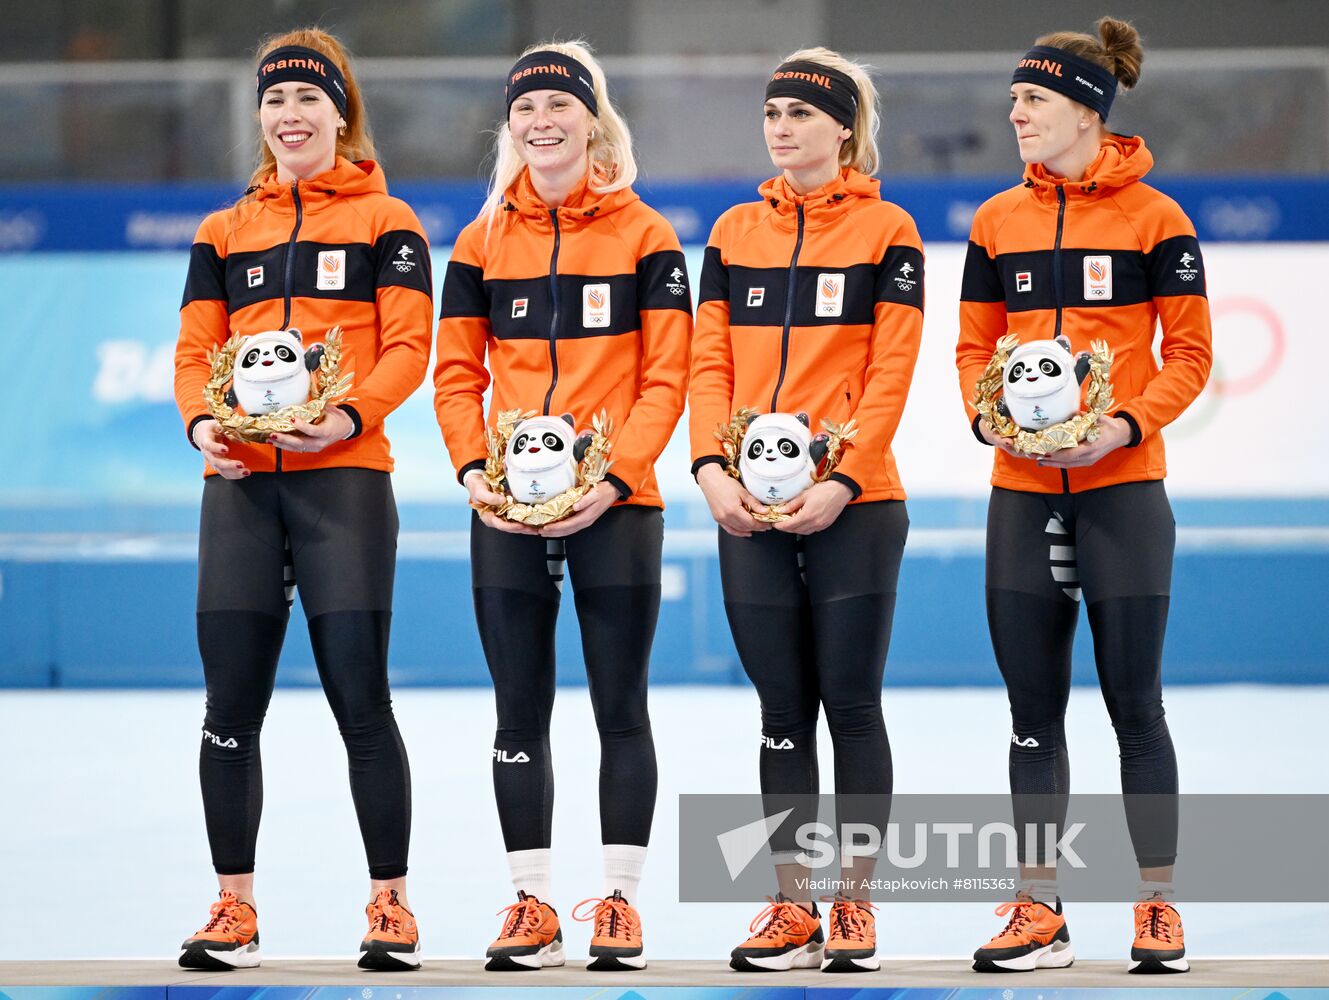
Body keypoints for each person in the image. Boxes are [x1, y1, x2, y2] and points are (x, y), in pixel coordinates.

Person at [172, 27, 433, 971]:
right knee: (226, 707)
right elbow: (197, 352)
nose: (289, 116)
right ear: (261, 118)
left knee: (360, 700)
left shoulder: (384, 221)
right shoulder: (222, 231)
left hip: (345, 482)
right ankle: (233, 908)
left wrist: (348, 417)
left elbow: (409, 346)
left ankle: (390, 906)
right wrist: (204, 427)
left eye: (307, 99)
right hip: (237, 486)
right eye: (274, 101)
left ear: (339, 112)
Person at [956, 16, 1212, 975]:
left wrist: (1126, 425)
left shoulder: (1157, 219)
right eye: (1015, 100)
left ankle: (1155, 909)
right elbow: (973, 348)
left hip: (1122, 489)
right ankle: (1038, 910)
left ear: (1083, 109)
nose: (1014, 113)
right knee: (1031, 713)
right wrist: (984, 418)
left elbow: (1189, 355)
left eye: (1031, 100)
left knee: (1132, 705)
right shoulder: (996, 221)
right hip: (1022, 491)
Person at [433, 40, 691, 972]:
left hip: (617, 508)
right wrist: (474, 474)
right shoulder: (479, 241)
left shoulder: (646, 236)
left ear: (593, 119)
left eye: (559, 107)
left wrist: (612, 481)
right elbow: (455, 375)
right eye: (526, 110)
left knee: (620, 709)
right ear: (511, 127)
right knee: (517, 712)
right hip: (503, 510)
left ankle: (618, 904)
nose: (542, 123)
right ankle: (532, 905)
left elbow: (668, 378)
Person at [688, 47, 924, 974]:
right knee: (780, 715)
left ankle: (855, 909)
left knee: (851, 707)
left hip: (855, 509)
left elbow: (889, 372)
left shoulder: (887, 230)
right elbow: (710, 364)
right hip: (743, 507)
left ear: (843, 129)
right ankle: (790, 910)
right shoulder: (733, 232)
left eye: (800, 113)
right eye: (771, 113)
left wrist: (843, 480)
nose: (781, 127)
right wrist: (711, 470)